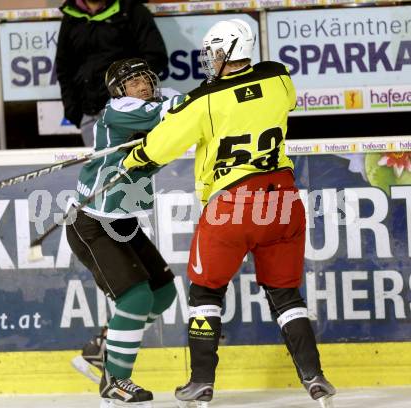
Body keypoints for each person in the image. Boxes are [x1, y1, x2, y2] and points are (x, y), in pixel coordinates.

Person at [122, 19, 336, 408]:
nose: (211, 59)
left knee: (206, 291)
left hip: (231, 205)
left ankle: (201, 382)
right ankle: (315, 378)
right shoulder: (280, 79)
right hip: (284, 200)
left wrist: (134, 157)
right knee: (285, 294)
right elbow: (271, 101)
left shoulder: (203, 99)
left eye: (215, 52)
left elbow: (161, 147)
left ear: (228, 51)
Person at [65, 58, 183, 407]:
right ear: (120, 91)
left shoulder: (154, 108)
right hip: (92, 223)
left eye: (146, 79)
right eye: (133, 83)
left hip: (121, 221)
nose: (143, 86)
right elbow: (176, 109)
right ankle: (115, 382)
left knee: (162, 293)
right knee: (135, 297)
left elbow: (180, 116)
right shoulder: (120, 110)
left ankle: (102, 346)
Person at [56, 0, 168, 147]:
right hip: (89, 116)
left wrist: (131, 98)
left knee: (137, 167)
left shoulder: (131, 10)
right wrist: (73, 110)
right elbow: (64, 67)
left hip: (130, 114)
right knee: (102, 169)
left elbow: (156, 56)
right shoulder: (71, 15)